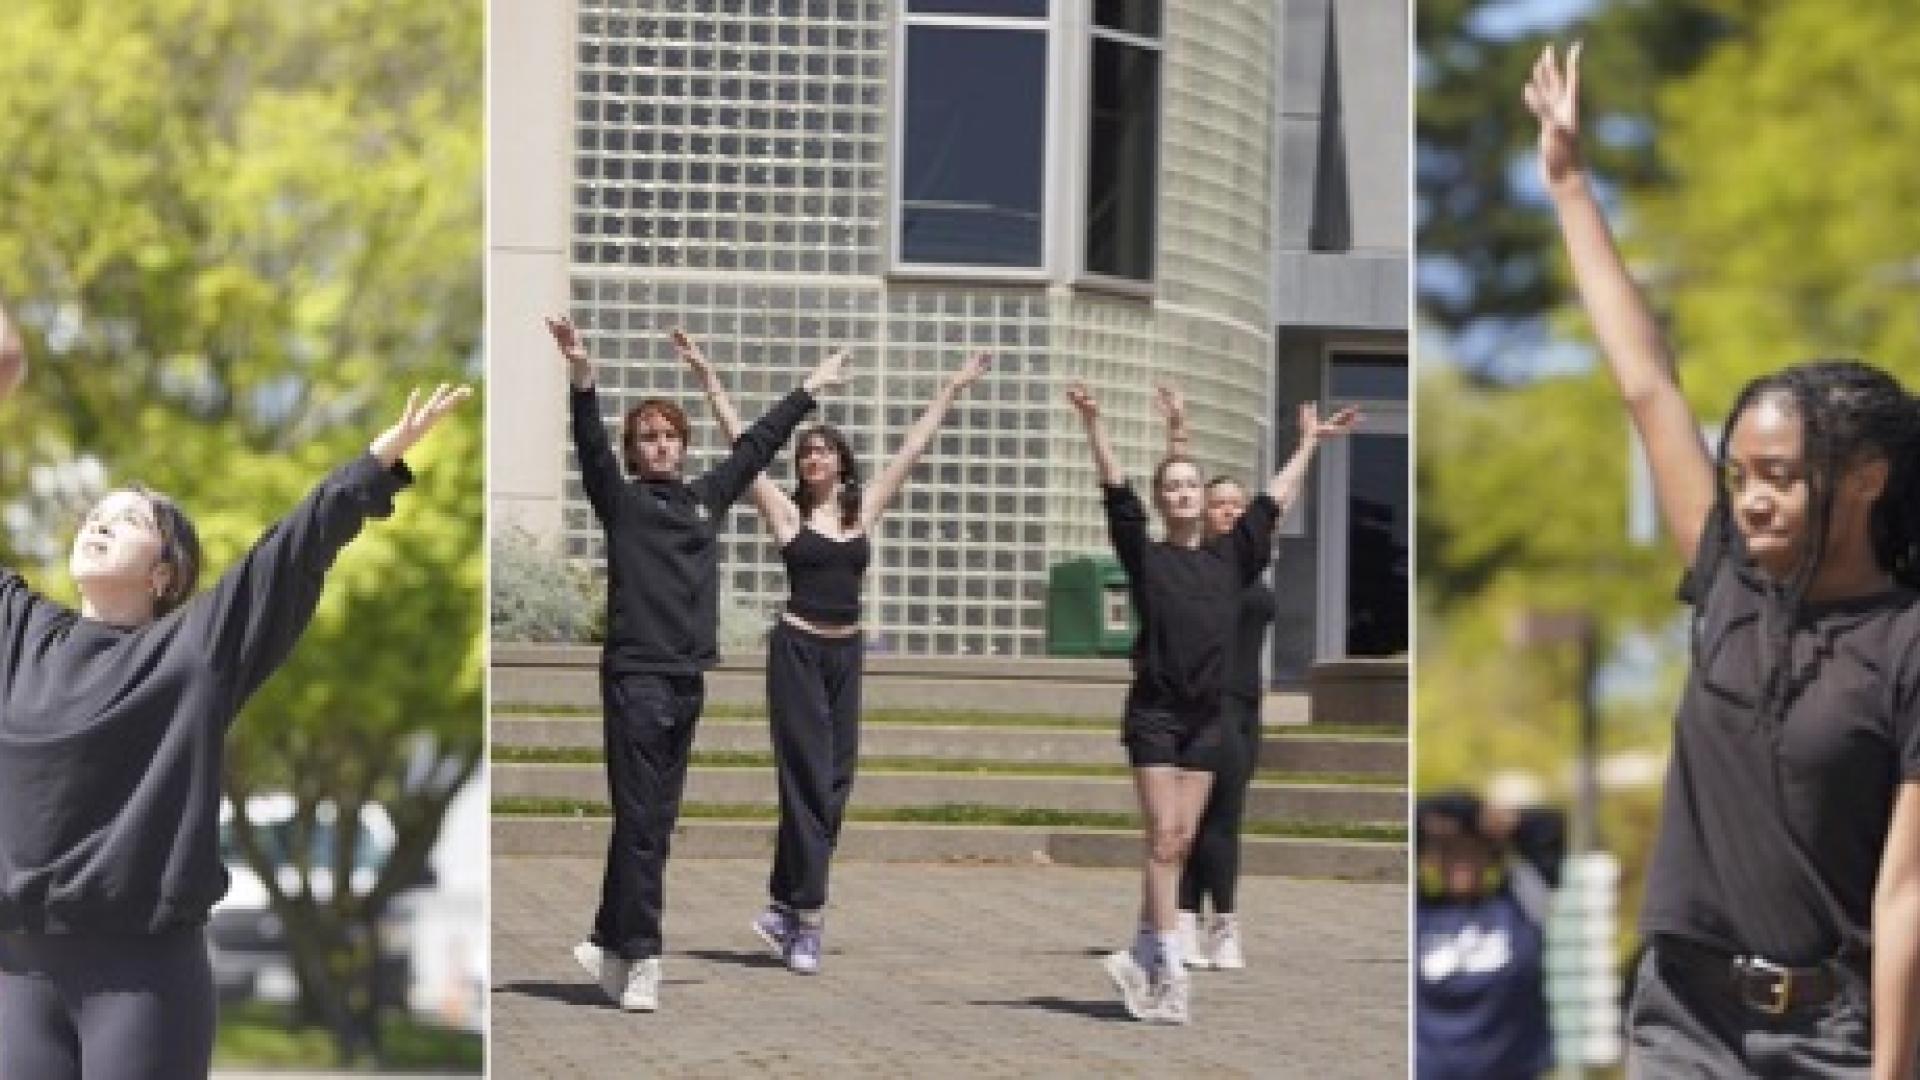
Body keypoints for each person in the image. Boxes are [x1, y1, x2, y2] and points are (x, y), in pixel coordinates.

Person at [1527, 44, 1920, 1077]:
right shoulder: (1732, 578)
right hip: (1683, 1016)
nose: (1749, 495)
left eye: (1780, 476)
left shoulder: (1908, 643)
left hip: (1835, 1035)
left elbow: (1907, 890)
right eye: (1739, 471)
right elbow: (1648, 384)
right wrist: (1571, 186)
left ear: (1867, 478)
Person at [0, 302, 469, 1080]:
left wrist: (375, 463)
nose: (101, 520)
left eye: (131, 518)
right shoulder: (17, 632)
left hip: (141, 982)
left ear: (166, 574)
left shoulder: (190, 653)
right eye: (97, 512)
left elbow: (290, 554)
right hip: (16, 973)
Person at [549, 315, 847, 1013]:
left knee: (648, 821)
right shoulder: (620, 503)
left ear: (682, 446)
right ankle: (643, 954)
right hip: (636, 679)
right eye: (648, 437)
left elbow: (755, 447)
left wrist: (809, 389)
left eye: (670, 435)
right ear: (634, 451)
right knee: (645, 823)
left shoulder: (704, 502)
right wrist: (581, 375)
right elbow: (589, 445)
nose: (661, 444)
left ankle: (607, 939)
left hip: (687, 682)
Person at [669, 330, 990, 975]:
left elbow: (913, 449)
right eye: (807, 450)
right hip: (796, 653)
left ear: (842, 463)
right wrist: (710, 383)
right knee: (808, 780)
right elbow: (743, 450)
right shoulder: (785, 514)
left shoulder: (861, 513)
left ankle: (782, 908)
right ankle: (809, 918)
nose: (813, 457)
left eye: (824, 450)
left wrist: (950, 390)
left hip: (847, 659)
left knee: (834, 788)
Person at [1068, 382, 1356, 1023]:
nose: (1181, 495)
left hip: (1208, 718)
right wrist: (1095, 427)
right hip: (1154, 715)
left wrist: (1308, 444)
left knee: (1181, 839)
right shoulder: (1144, 556)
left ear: (1202, 499)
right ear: (1164, 499)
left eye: (1191, 486)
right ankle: (1169, 964)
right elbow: (1116, 490)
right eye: (1171, 487)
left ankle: (1141, 950)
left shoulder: (1232, 558)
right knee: (1164, 839)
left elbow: (1272, 500)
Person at [1154, 384, 1280, 972]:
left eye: (1237, 503)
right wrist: (1179, 430)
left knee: (1227, 814)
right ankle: (1182, 918)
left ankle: (1223, 923)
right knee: (1191, 819)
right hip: (1204, 701)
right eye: (1218, 503)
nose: (1228, 510)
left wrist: (1309, 444)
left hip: (1248, 705)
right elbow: (1176, 486)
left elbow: (1280, 500)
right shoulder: (1200, 560)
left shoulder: (1248, 560)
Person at [1414, 792, 1566, 1080]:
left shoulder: (1521, 906)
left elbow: (1548, 828)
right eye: (1450, 851)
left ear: (1491, 856)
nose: (1462, 861)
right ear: (1432, 859)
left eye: (1471, 850)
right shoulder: (1418, 914)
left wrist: (1486, 816)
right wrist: (1439, 813)